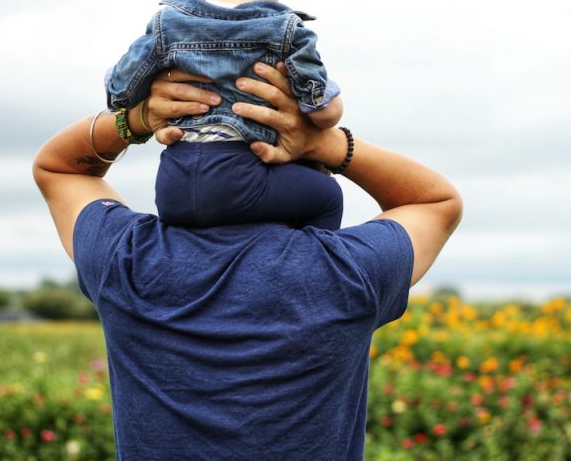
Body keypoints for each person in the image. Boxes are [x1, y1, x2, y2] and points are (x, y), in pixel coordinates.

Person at [33, 62, 462, 460]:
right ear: (309, 174)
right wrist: (328, 143)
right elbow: (435, 201)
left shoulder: (127, 260)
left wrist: (140, 118)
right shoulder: (346, 274)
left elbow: (61, 169)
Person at [104, 0, 344, 230]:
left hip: (174, 185)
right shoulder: (287, 31)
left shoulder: (167, 24)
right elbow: (321, 111)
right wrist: (330, 103)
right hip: (243, 178)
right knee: (327, 196)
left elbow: (120, 93)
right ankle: (312, 271)